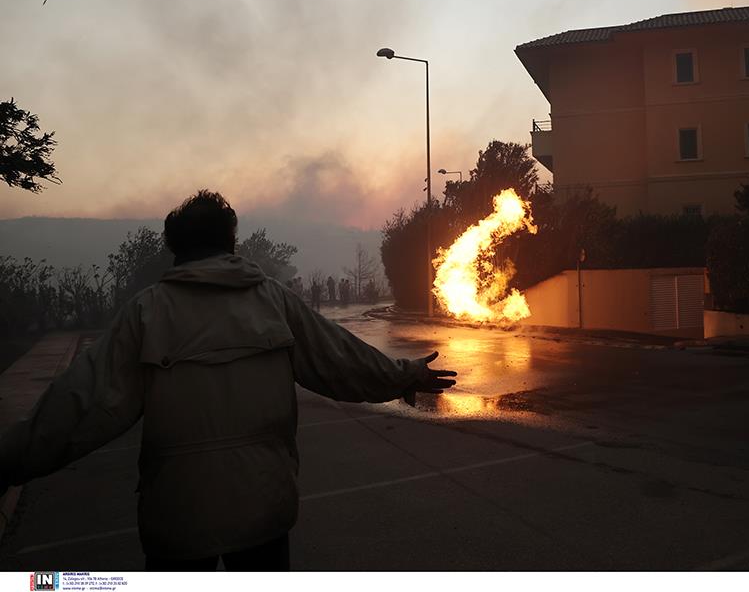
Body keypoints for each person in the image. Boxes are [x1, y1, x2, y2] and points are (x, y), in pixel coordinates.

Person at [0, 190, 456, 571]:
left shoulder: (147, 311)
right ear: (232, 243)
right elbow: (340, 360)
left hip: (177, 518)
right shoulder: (273, 301)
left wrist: (11, 461)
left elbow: (82, 405)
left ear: (174, 247)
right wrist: (403, 376)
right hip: (264, 510)